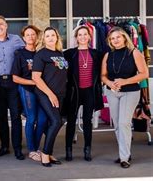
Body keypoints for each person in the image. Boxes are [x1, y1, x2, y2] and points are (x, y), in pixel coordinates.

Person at [101, 27, 148, 168]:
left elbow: (144, 74)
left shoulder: (135, 52)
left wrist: (124, 81)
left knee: (123, 124)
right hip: (112, 92)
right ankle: (125, 152)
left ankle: (124, 157)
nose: (115, 40)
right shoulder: (108, 55)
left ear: (124, 38)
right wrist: (110, 83)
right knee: (117, 125)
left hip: (130, 92)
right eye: (112, 38)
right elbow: (103, 75)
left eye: (118, 37)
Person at [0, 15, 25, 159]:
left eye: (1, 24)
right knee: (1, 118)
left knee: (15, 117)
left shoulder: (16, 40)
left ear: (6, 25)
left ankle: (18, 148)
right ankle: (4, 146)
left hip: (13, 82)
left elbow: (25, 56)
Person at [64, 26, 104, 162]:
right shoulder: (69, 54)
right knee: (71, 121)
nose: (82, 37)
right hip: (74, 92)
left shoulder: (96, 54)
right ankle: (68, 149)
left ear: (89, 36)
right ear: (76, 38)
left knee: (88, 121)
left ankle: (87, 149)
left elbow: (101, 73)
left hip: (89, 92)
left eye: (85, 34)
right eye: (79, 35)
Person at [32, 27, 68, 167]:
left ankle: (49, 152)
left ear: (57, 38)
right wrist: (50, 94)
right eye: (48, 36)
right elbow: (36, 77)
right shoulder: (41, 54)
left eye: (53, 35)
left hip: (60, 93)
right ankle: (45, 154)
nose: (51, 38)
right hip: (45, 93)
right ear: (43, 39)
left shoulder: (60, 54)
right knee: (56, 121)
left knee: (53, 123)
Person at [12, 25, 47, 162]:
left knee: (43, 119)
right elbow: (15, 77)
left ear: (37, 36)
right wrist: (34, 82)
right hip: (27, 89)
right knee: (31, 119)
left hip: (41, 90)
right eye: (28, 35)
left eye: (33, 34)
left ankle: (35, 147)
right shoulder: (20, 54)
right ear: (23, 37)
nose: (31, 37)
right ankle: (32, 150)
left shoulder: (41, 53)